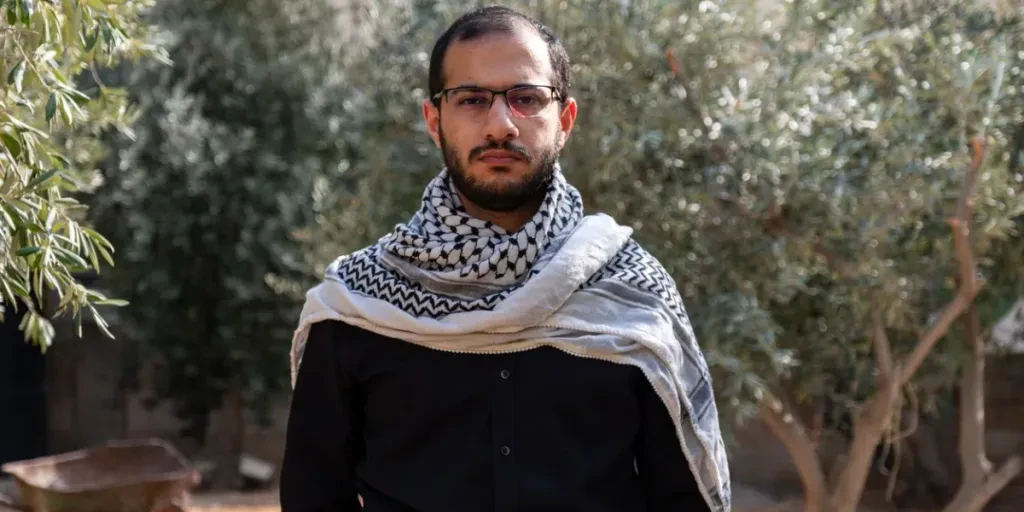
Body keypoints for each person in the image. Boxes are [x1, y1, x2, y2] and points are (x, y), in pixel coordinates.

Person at [280, 5, 731, 512]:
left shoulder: (631, 293)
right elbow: (314, 496)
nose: (500, 125)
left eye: (525, 98)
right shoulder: (356, 306)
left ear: (564, 120)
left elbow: (683, 497)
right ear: (435, 120)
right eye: (471, 99)